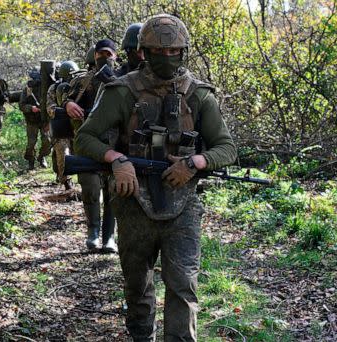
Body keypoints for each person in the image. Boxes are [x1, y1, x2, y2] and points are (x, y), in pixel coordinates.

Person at [75, 14, 237, 341]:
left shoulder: (199, 95)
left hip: (183, 205)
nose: (167, 58)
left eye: (174, 52)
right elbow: (85, 137)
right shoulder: (121, 92)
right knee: (137, 286)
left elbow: (227, 147)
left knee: (183, 286)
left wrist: (195, 162)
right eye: (159, 52)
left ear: (184, 52)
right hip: (133, 202)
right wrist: (117, 159)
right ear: (143, 52)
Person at [64, 40, 118, 253]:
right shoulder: (82, 81)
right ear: (93, 56)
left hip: (115, 144)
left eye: (108, 53)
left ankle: (109, 236)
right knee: (91, 189)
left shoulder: (123, 78)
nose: (104, 57)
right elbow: (64, 99)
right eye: (100, 54)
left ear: (115, 55)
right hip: (86, 143)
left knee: (113, 192)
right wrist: (69, 104)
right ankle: (93, 232)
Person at [47, 60, 79, 190]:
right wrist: (64, 110)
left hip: (77, 126)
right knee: (63, 154)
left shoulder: (80, 85)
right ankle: (66, 181)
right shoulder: (54, 88)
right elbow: (50, 107)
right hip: (61, 127)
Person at [19, 67, 50, 170]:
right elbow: (22, 105)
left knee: (47, 141)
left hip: (44, 119)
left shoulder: (47, 88)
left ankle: (42, 157)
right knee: (31, 143)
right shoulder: (28, 89)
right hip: (32, 120)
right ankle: (30, 160)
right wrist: (31, 108)